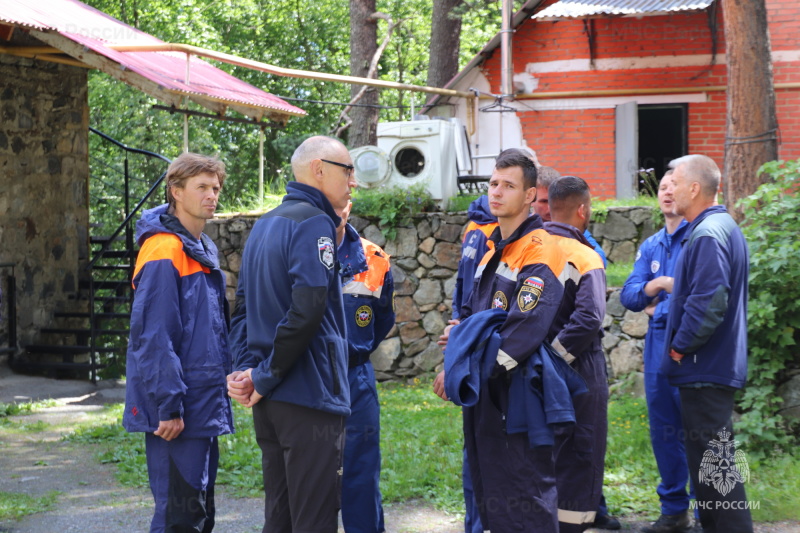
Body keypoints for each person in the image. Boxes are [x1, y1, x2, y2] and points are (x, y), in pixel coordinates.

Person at [226, 136, 356, 533]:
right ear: (319, 170)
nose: (353, 182)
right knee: (313, 521)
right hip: (308, 396)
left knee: (279, 518)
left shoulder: (266, 224)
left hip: (272, 402)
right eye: (347, 171)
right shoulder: (314, 222)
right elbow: (307, 310)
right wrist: (261, 376)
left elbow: (243, 309)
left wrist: (248, 370)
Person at [439, 148, 568, 531]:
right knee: (489, 487)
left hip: (520, 393)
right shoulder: (491, 249)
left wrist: (464, 363)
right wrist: (461, 341)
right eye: (493, 183)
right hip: (487, 392)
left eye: (508, 186)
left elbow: (521, 332)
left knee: (526, 493)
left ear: (530, 196)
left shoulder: (541, 250)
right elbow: (476, 320)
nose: (496, 192)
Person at [122, 152, 233, 533]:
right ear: (176, 191)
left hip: (200, 405)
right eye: (202, 187)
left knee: (197, 514)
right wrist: (168, 406)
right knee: (178, 518)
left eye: (215, 188)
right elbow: (153, 336)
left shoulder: (200, 248)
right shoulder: (164, 249)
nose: (211, 195)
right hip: (176, 411)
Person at [663, 154, 753, 533]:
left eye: (675, 182)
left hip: (703, 367)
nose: (669, 189)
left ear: (695, 188)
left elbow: (710, 300)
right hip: (709, 367)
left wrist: (680, 347)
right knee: (710, 467)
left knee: (717, 470)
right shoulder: (718, 226)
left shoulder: (707, 232)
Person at [534, 167, 617, 530]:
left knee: (541, 456)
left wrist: (537, 360)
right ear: (582, 210)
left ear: (549, 207)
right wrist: (556, 359)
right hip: (578, 372)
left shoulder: (525, 251)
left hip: (530, 372)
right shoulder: (585, 255)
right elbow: (588, 317)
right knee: (580, 457)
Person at [620, 171, 695, 533]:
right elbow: (630, 296)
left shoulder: (698, 238)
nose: (666, 193)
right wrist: (662, 284)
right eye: (662, 188)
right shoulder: (651, 245)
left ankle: (713, 511)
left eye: (672, 187)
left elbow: (698, 299)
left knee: (698, 430)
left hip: (694, 346)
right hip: (656, 350)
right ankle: (674, 510)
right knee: (663, 429)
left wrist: (659, 306)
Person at [435, 194, 497, 533]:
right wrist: (459, 340)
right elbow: (470, 295)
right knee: (477, 448)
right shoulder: (484, 231)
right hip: (482, 356)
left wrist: (459, 328)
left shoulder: (477, 227)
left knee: (479, 449)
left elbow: (464, 296)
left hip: (481, 350)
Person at [336, 201, 395, 533]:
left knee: (361, 474)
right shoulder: (293, 250)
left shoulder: (375, 258)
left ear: (349, 204)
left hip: (356, 377)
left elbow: (382, 319)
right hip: (307, 376)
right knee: (308, 481)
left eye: (341, 200)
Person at [533, 166, 608, 267]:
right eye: (544, 201)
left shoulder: (573, 228)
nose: (550, 207)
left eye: (554, 201)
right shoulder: (522, 229)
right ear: (530, 199)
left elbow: (599, 258)